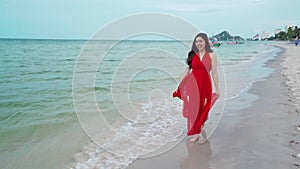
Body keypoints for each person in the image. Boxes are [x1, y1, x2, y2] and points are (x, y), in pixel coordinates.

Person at [173, 33, 220, 142]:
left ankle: (201, 124)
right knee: (194, 107)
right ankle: (195, 133)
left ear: (205, 42)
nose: (198, 43)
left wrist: (217, 89)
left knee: (203, 107)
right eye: (196, 41)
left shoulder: (212, 55)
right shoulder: (193, 55)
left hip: (205, 84)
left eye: (201, 41)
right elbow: (187, 70)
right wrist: (181, 85)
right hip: (193, 85)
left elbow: (215, 73)